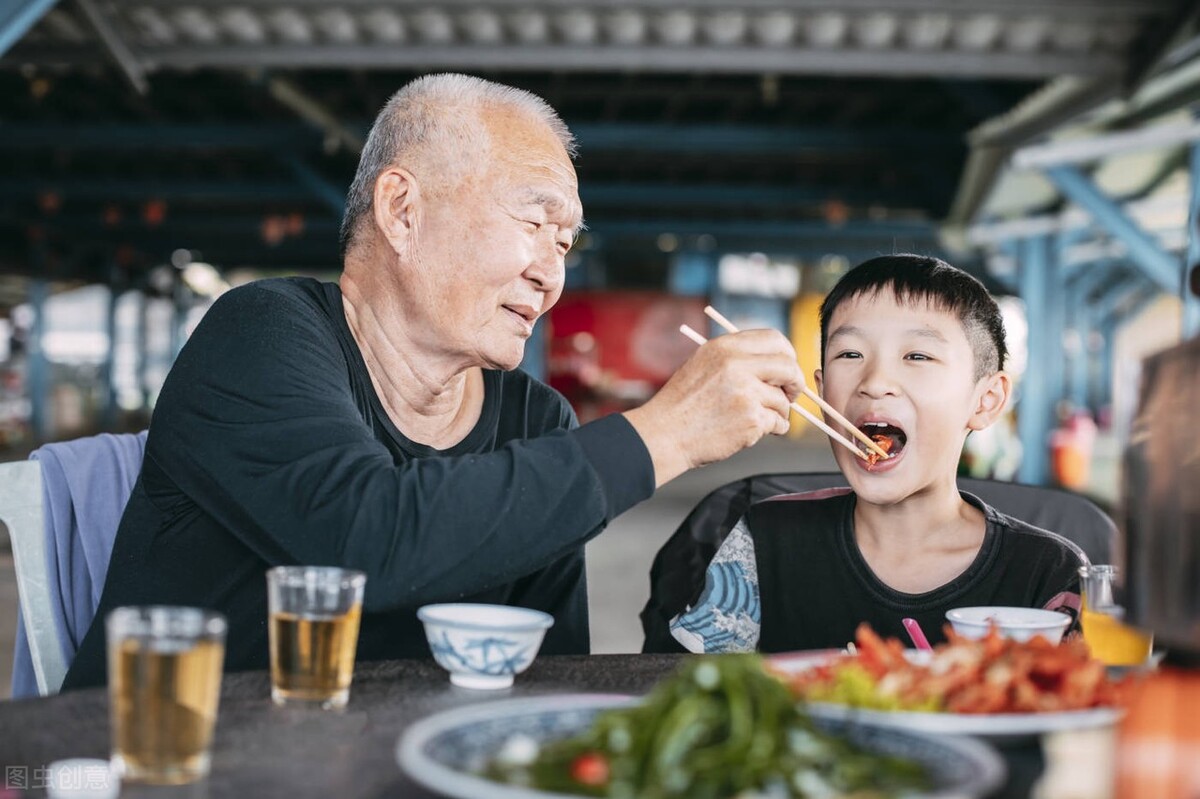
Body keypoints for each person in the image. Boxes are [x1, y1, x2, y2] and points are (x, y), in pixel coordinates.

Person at [61, 74, 805, 689]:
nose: (551, 273)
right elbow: (366, 541)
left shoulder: (533, 420)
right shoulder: (260, 333)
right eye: (533, 222)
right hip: (168, 760)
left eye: (566, 241)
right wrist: (664, 433)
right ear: (402, 209)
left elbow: (548, 669)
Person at [670, 255, 1084, 653]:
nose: (875, 381)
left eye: (917, 356)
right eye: (850, 354)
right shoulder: (764, 539)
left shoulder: (1048, 571)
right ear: (821, 388)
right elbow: (685, 697)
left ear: (986, 400)